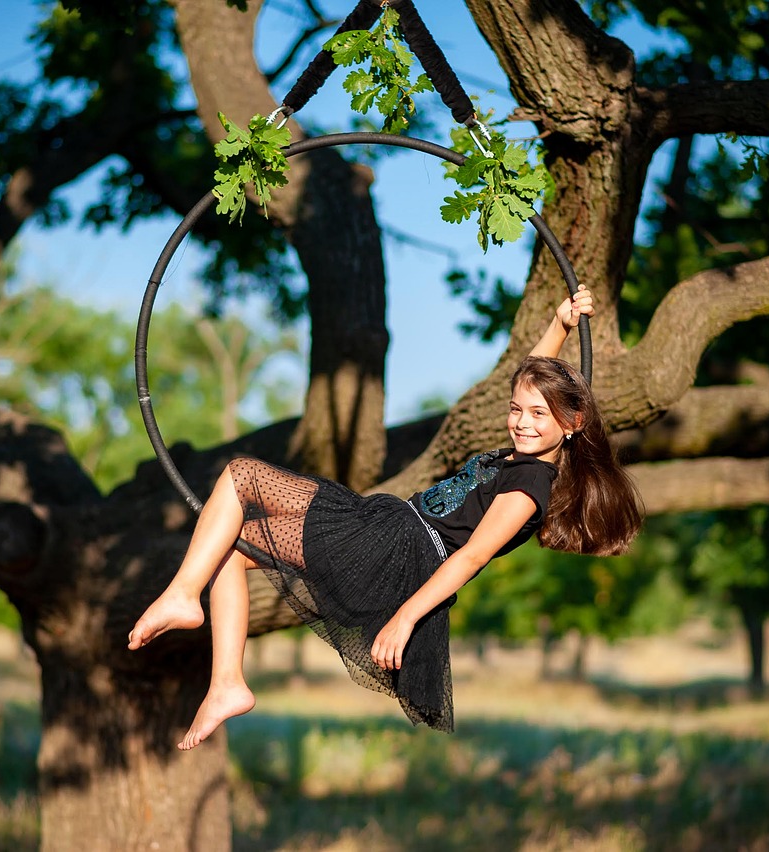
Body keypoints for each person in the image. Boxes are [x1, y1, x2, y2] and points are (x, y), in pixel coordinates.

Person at [128, 284, 643, 750]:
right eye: (516, 410)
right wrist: (560, 324)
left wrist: (405, 618)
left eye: (537, 415)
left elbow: (472, 557)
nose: (521, 423)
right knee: (232, 543)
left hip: (395, 550)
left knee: (241, 475)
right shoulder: (523, 457)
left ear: (572, 424)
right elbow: (532, 376)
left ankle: (181, 596)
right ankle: (227, 684)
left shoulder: (531, 485)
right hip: (387, 529)